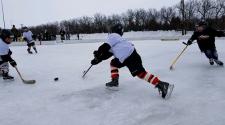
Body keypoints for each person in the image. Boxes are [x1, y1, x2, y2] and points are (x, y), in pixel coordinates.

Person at [90, 24, 174, 99]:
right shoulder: (118, 39)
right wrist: (97, 60)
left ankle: (162, 85)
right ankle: (115, 81)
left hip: (130, 57)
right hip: (128, 57)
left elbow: (104, 47)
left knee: (141, 74)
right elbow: (106, 54)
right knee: (113, 63)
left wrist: (98, 55)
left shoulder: (113, 36)